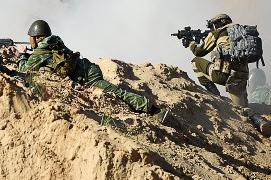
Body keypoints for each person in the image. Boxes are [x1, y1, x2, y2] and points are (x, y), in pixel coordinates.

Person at [15, 20, 166, 118]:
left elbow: (25, 70)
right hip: (88, 70)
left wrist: (21, 55)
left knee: (117, 92)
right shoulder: (52, 42)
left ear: (35, 37)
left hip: (88, 76)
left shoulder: (41, 50)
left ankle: (154, 111)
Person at [188, 13, 249, 107]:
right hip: (241, 78)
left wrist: (190, 43)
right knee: (243, 109)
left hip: (222, 75)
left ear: (220, 22)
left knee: (195, 62)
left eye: (213, 25)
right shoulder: (243, 33)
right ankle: (252, 114)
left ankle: (215, 95)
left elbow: (198, 52)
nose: (212, 28)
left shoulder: (218, 33)